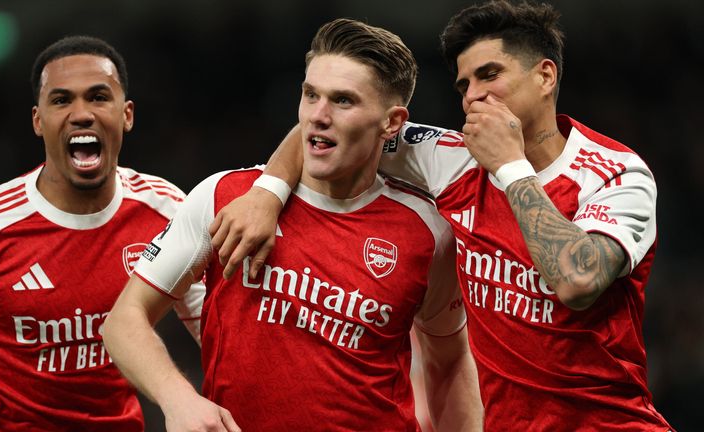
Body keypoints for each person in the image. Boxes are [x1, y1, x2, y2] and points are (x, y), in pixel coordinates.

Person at [210, 1, 674, 430]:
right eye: (464, 84)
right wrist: (267, 192)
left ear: (545, 76)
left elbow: (577, 280)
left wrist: (509, 167)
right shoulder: (450, 158)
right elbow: (331, 125)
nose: (473, 96)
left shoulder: (616, 174)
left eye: (489, 75)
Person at [103, 18, 482, 432]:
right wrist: (179, 398)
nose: (317, 116)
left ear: (392, 122)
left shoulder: (427, 232)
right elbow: (124, 321)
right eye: (310, 94)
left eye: (343, 101)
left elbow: (449, 361)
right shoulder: (225, 196)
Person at [0, 36, 190, 431]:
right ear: (38, 121)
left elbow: (223, 333)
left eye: (98, 97)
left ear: (127, 115)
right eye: (61, 100)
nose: (81, 114)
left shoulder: (168, 211)